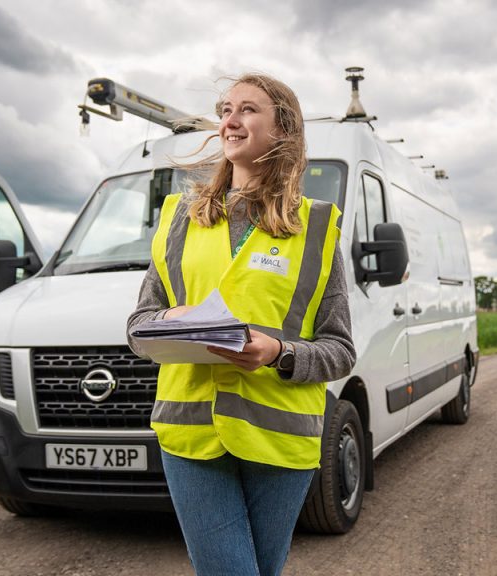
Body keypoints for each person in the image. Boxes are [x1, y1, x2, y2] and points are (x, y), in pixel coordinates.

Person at [126, 73, 355, 576]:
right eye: (225, 109)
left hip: (282, 438)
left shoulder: (315, 229)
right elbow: (138, 326)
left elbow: (340, 350)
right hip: (191, 435)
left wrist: (278, 352)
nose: (230, 120)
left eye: (248, 109)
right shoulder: (180, 219)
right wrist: (173, 319)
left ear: (284, 130)